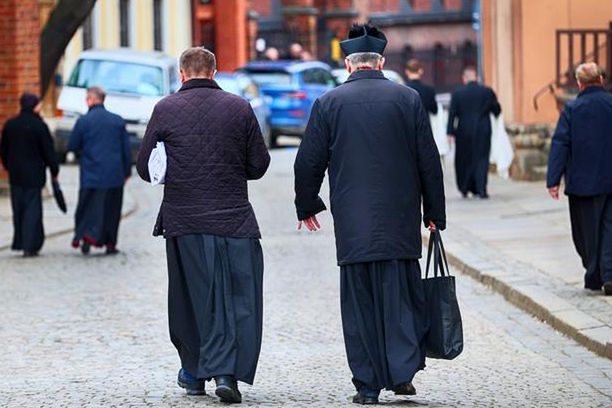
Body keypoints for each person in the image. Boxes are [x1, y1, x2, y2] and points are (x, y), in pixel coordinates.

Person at [294, 23, 446, 405]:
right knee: (400, 299)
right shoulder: (408, 99)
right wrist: (434, 213)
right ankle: (401, 373)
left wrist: (307, 204)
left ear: (348, 64)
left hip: (353, 225)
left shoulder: (328, 104)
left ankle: (366, 384)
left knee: (360, 304)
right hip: (399, 221)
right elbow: (429, 161)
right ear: (381, 60)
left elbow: (308, 161)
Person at [136, 47, 270, 403]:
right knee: (238, 299)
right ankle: (227, 374)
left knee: (190, 300)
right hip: (235, 220)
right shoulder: (239, 107)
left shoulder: (165, 109)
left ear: (182, 74)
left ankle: (194, 373)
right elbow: (258, 165)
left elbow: (144, 166)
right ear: (215, 71)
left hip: (185, 220)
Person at [547, 62, 612, 296]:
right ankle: (608, 274)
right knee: (608, 227)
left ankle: (596, 274)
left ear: (579, 83)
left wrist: (553, 179)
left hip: (582, 184)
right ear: (601, 80)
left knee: (585, 232)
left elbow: (560, 144)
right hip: (609, 181)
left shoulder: (572, 109)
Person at [67, 86, 131, 255]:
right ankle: (110, 242)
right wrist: (126, 172)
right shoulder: (117, 120)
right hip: (113, 174)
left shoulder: (83, 121)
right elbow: (126, 149)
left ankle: (86, 235)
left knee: (87, 207)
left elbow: (72, 145)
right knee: (112, 210)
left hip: (91, 173)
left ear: (90, 99)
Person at [0, 93, 59, 257]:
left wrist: (8, 166)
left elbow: (3, 149)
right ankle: (30, 243)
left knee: (18, 209)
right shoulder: (39, 126)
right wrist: (54, 170)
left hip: (15, 174)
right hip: (34, 174)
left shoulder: (10, 125)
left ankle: (20, 240)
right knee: (32, 210)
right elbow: (48, 152)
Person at [447, 66, 501, 198]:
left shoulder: (458, 93)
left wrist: (450, 132)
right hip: (483, 129)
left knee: (464, 159)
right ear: (476, 77)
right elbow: (497, 110)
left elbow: (452, 114)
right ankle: (481, 189)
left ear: (464, 78)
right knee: (482, 159)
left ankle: (465, 187)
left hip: (463, 130)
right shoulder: (487, 91)